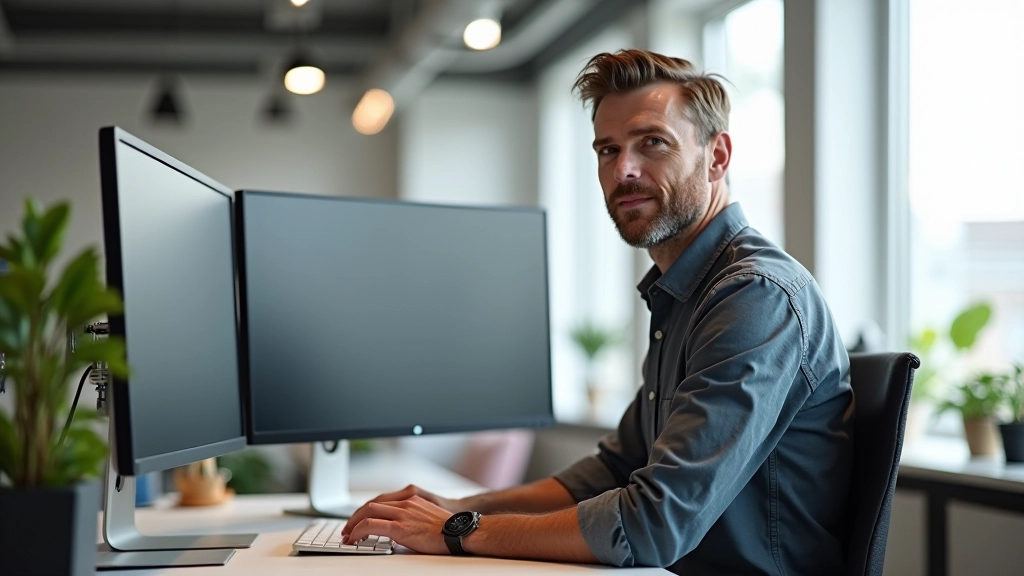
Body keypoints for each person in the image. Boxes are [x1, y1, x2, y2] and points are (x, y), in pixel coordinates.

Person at [342, 49, 853, 575]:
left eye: (652, 142)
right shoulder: (683, 293)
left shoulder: (753, 296)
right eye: (607, 150)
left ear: (717, 156)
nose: (623, 170)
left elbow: (652, 524)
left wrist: (457, 532)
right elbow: (616, 467)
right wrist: (461, 509)